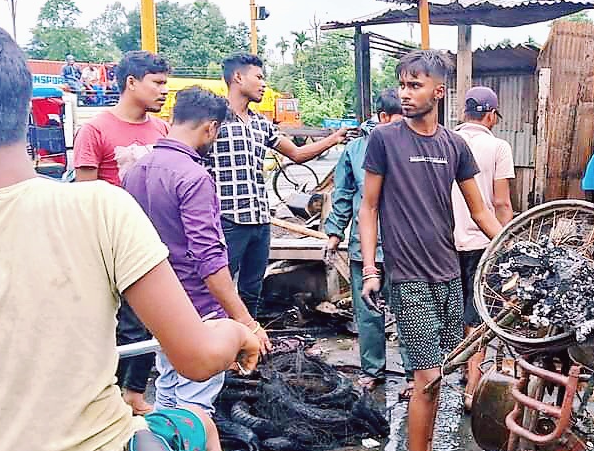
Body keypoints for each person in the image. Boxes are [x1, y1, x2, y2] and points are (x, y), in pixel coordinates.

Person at [0, 12, 260, 451]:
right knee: (197, 423)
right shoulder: (101, 208)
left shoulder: (135, 170)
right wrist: (238, 330)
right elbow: (196, 351)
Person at [358, 50, 503, 451]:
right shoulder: (384, 139)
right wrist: (371, 268)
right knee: (424, 379)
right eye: (402, 84)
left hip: (447, 272)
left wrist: (512, 248)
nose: (405, 92)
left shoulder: (454, 146)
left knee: (437, 380)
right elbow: (370, 207)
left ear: (439, 92)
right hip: (408, 277)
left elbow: (481, 210)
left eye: (416, 85)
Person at [123, 86, 272, 416]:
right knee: (194, 404)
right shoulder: (193, 176)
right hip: (198, 310)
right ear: (211, 128)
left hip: (158, 307)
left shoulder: (136, 171)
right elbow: (209, 260)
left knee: (168, 386)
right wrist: (244, 321)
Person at [209, 53, 349, 319]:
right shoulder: (214, 119)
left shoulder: (261, 124)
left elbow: (297, 154)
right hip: (226, 220)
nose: (263, 84)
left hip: (260, 222)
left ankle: (246, 346)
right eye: (259, 77)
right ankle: (217, 350)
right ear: (238, 77)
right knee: (219, 290)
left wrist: (334, 139)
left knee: (251, 290)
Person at [74, 49, 172, 415]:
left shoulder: (161, 129)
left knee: (151, 320)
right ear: (131, 83)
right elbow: (84, 198)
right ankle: (109, 396)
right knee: (122, 324)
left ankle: (134, 393)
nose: (164, 91)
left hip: (154, 241)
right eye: (158, 83)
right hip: (111, 243)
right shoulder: (95, 130)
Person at [325, 88, 413, 393]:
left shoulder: (411, 147)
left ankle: (414, 374)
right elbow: (344, 194)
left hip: (405, 248)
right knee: (368, 312)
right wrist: (335, 232)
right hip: (367, 250)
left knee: (409, 312)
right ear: (383, 117)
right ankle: (372, 368)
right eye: (399, 121)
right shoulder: (356, 151)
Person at [451, 86, 515, 410]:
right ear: (490, 115)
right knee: (479, 315)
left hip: (446, 242)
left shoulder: (447, 141)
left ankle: (464, 370)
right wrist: (511, 242)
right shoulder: (497, 147)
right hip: (482, 242)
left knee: (458, 312)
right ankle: (472, 389)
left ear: (465, 112)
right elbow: (501, 202)